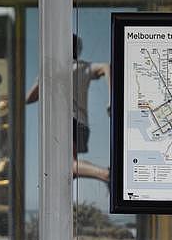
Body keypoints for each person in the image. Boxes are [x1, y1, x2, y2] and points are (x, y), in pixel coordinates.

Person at [26, 34, 111, 184]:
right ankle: (104, 175)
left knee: (67, 166)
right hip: (81, 124)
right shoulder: (83, 66)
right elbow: (106, 66)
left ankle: (106, 174)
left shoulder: (53, 69)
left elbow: (29, 98)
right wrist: (111, 99)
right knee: (66, 170)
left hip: (64, 122)